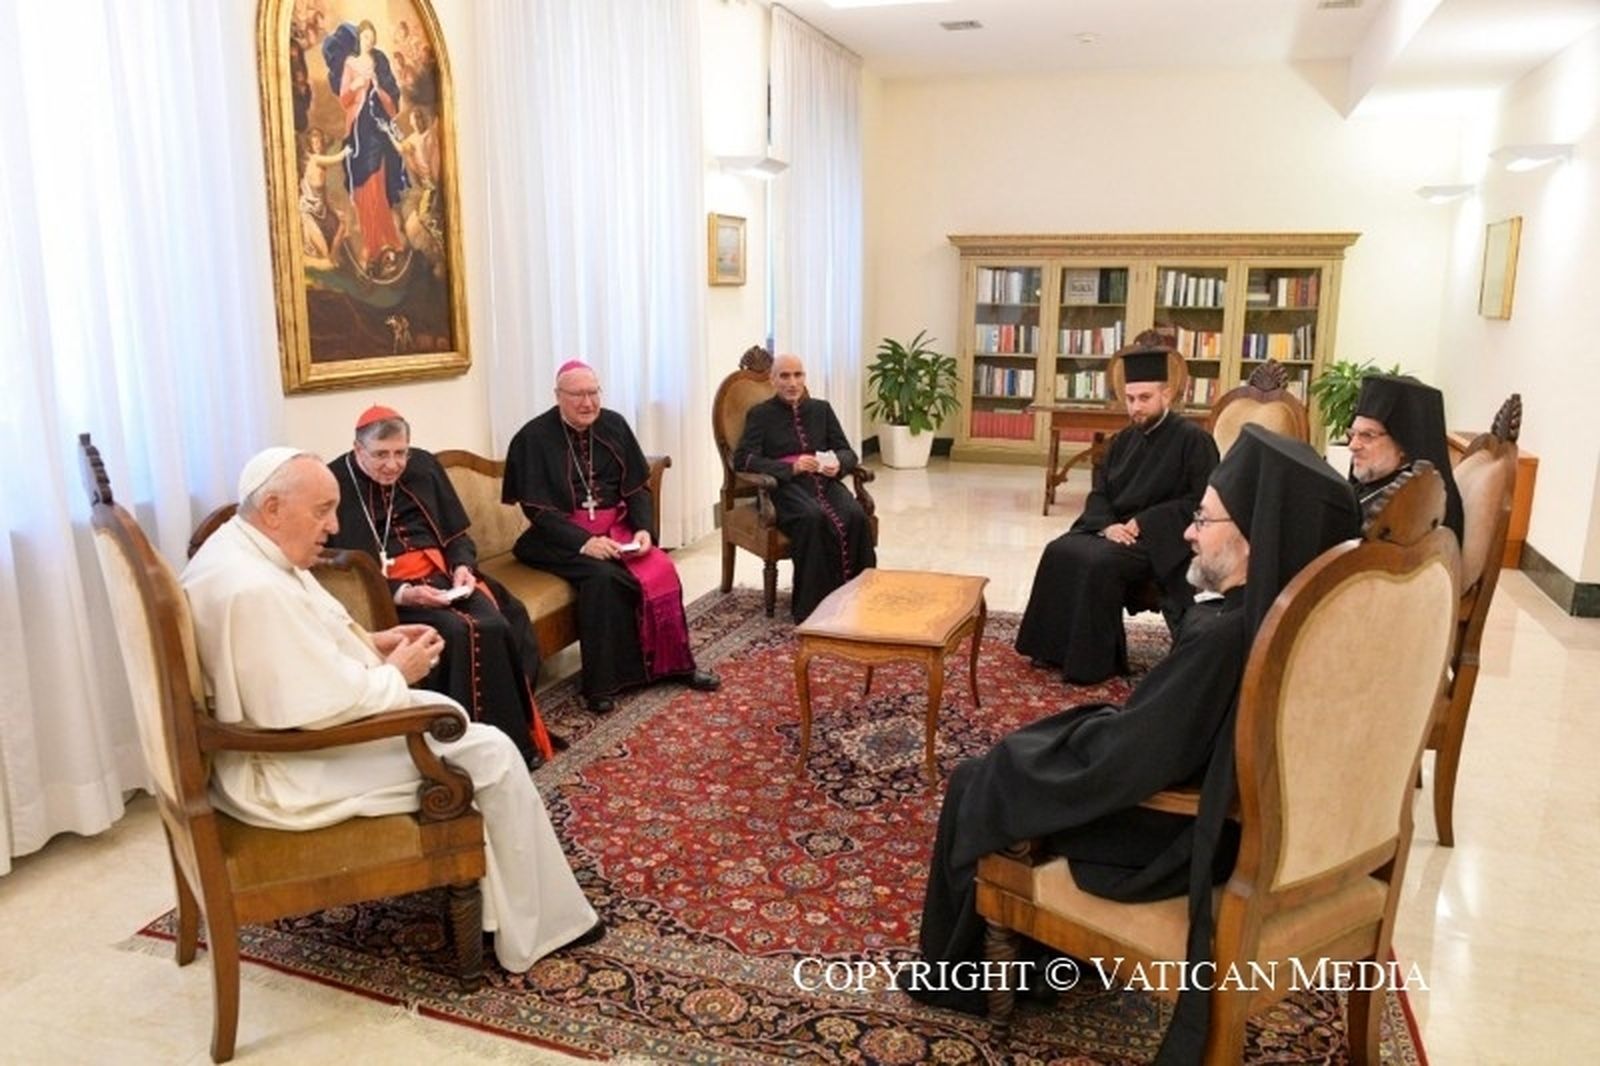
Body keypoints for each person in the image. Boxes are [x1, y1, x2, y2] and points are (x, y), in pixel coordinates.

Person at [914, 425, 1362, 1046]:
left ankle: (962, 981)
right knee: (1032, 753)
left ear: (1254, 538)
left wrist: (1040, 751)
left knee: (981, 778)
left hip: (1178, 833)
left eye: (1202, 520)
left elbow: (1133, 760)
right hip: (1239, 815)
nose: (1186, 533)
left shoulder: (1227, 637)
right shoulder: (1277, 618)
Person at [182, 448, 602, 973]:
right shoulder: (252, 587)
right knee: (490, 751)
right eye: (321, 511)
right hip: (286, 770)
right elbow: (305, 709)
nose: (334, 527)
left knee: (460, 722)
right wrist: (395, 675)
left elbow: (303, 647)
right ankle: (539, 924)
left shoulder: (243, 547)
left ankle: (508, 905)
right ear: (271, 507)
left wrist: (374, 642)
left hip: (291, 738)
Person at [326, 405, 557, 768]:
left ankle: (515, 743)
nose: (393, 464)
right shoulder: (334, 482)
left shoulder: (424, 466)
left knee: (498, 623)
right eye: (381, 455)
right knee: (451, 630)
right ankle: (456, 745)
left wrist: (464, 567)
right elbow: (340, 572)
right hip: (384, 592)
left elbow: (457, 535)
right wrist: (402, 591)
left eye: (400, 452)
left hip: (445, 578)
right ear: (358, 450)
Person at [502, 360, 720, 713]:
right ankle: (602, 684)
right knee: (603, 577)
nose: (587, 403)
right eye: (577, 395)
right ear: (558, 396)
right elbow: (537, 511)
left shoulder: (614, 424)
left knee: (661, 567)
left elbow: (636, 488)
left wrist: (644, 530)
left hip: (614, 528)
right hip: (555, 538)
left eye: (593, 393)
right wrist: (583, 542)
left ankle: (675, 665)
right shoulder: (533, 437)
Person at [1015, 340, 1220, 684]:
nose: (1136, 407)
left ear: (1166, 395)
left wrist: (1145, 522)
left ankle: (1094, 663)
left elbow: (1202, 502)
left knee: (1099, 563)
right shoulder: (1123, 440)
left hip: (1163, 538)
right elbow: (1101, 493)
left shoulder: (1193, 441)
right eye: (1130, 399)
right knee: (1060, 550)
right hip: (1118, 533)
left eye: (1145, 398)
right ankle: (1052, 650)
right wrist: (1108, 525)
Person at [733, 353, 877, 622]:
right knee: (813, 517)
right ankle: (813, 608)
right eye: (785, 376)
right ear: (773, 380)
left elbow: (847, 450)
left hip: (824, 481)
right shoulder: (761, 414)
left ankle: (860, 598)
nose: (792, 382)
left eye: (798, 375)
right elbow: (744, 459)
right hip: (785, 487)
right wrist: (792, 468)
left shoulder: (821, 410)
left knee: (856, 515)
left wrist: (838, 464)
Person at [322, 19, 408, 273]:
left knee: (377, 183)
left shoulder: (378, 63)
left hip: (376, 129)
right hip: (358, 129)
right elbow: (345, 99)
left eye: (372, 38)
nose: (368, 42)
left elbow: (391, 100)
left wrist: (377, 86)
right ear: (359, 39)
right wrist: (356, 86)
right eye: (365, 37)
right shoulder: (350, 64)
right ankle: (371, 244)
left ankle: (388, 241)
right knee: (361, 187)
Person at [1347, 373, 1464, 541]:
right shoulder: (1379, 480)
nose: (1353, 446)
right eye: (1352, 434)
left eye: (1367, 435)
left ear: (1403, 445)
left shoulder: (1416, 502)